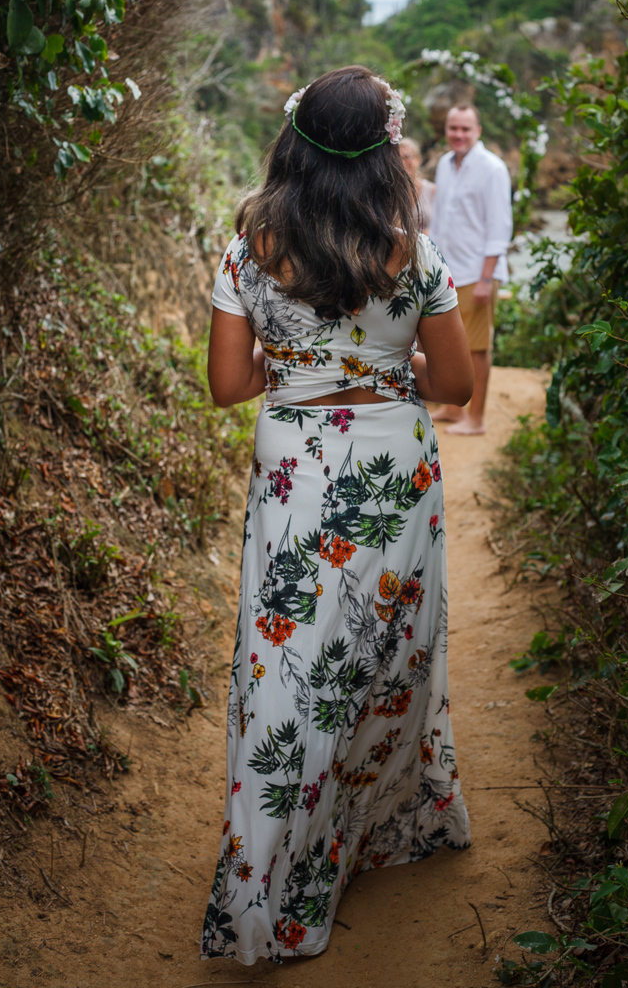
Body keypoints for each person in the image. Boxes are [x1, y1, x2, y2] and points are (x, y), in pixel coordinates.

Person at [202, 66, 473, 966]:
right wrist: (386, 376)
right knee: (382, 653)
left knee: (286, 664)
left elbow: (228, 385)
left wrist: (308, 375)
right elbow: (460, 385)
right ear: (385, 151)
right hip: (394, 464)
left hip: (294, 466)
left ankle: (264, 874)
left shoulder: (250, 250)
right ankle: (366, 826)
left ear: (296, 141)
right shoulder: (416, 256)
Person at [428, 105, 512, 436]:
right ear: (446, 130)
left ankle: (475, 419)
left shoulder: (492, 168)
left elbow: (499, 227)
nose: (459, 135)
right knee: (449, 344)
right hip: (447, 271)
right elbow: (440, 222)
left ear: (478, 130)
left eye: (465, 129)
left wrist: (486, 278)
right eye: (453, 128)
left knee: (476, 347)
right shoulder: (446, 165)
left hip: (477, 273)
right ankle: (452, 408)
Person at [398, 136, 436, 233]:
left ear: (418, 159)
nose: (402, 162)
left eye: (407, 157)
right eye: (398, 158)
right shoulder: (389, 192)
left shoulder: (433, 190)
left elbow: (442, 224)